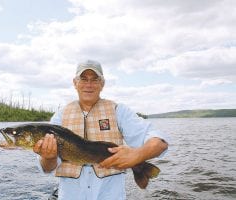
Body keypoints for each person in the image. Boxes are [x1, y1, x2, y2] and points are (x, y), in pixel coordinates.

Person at [33, 60, 169, 200]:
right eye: (83, 79)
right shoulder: (59, 116)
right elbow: (47, 168)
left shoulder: (118, 111)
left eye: (95, 79)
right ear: (75, 83)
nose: (89, 85)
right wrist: (48, 157)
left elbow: (160, 142)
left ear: (102, 84)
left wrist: (138, 155)